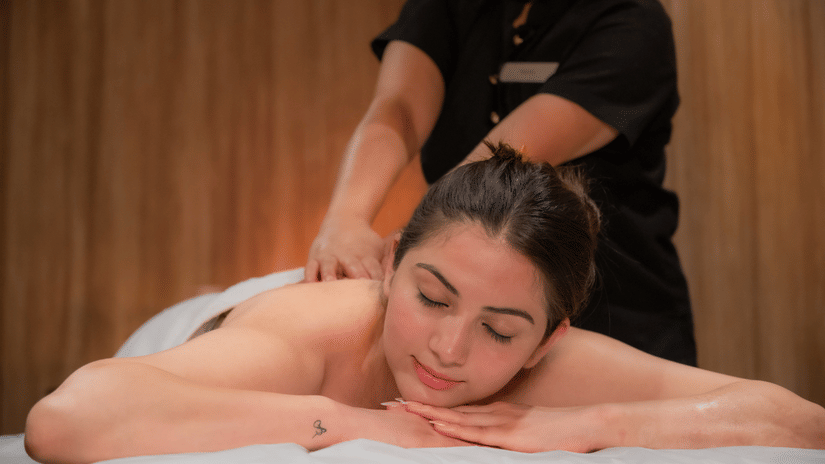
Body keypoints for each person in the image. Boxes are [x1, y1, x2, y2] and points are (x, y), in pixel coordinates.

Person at [25, 146, 825, 463]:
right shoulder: (316, 334)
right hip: (207, 325)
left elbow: (799, 422)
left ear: (546, 341)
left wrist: (595, 424)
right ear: (392, 266)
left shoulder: (556, 367)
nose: (448, 348)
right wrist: (357, 422)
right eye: (431, 296)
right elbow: (66, 420)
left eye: (499, 329)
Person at [305, 0, 697, 366]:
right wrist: (345, 221)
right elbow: (398, 110)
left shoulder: (633, 26)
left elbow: (497, 161)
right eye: (429, 295)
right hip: (473, 303)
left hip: (611, 315)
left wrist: (417, 254)